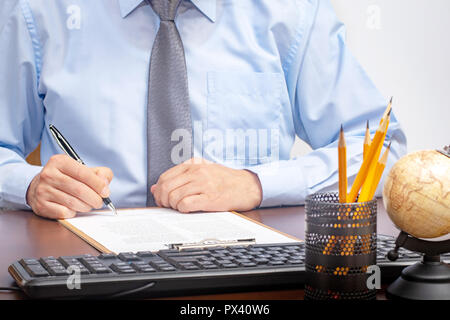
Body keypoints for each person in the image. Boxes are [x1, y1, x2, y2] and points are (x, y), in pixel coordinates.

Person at [0, 0, 406, 219]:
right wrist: (30, 185)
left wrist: (255, 184)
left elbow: (380, 149)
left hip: (246, 276)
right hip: (86, 267)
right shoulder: (36, 10)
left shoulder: (290, 11)